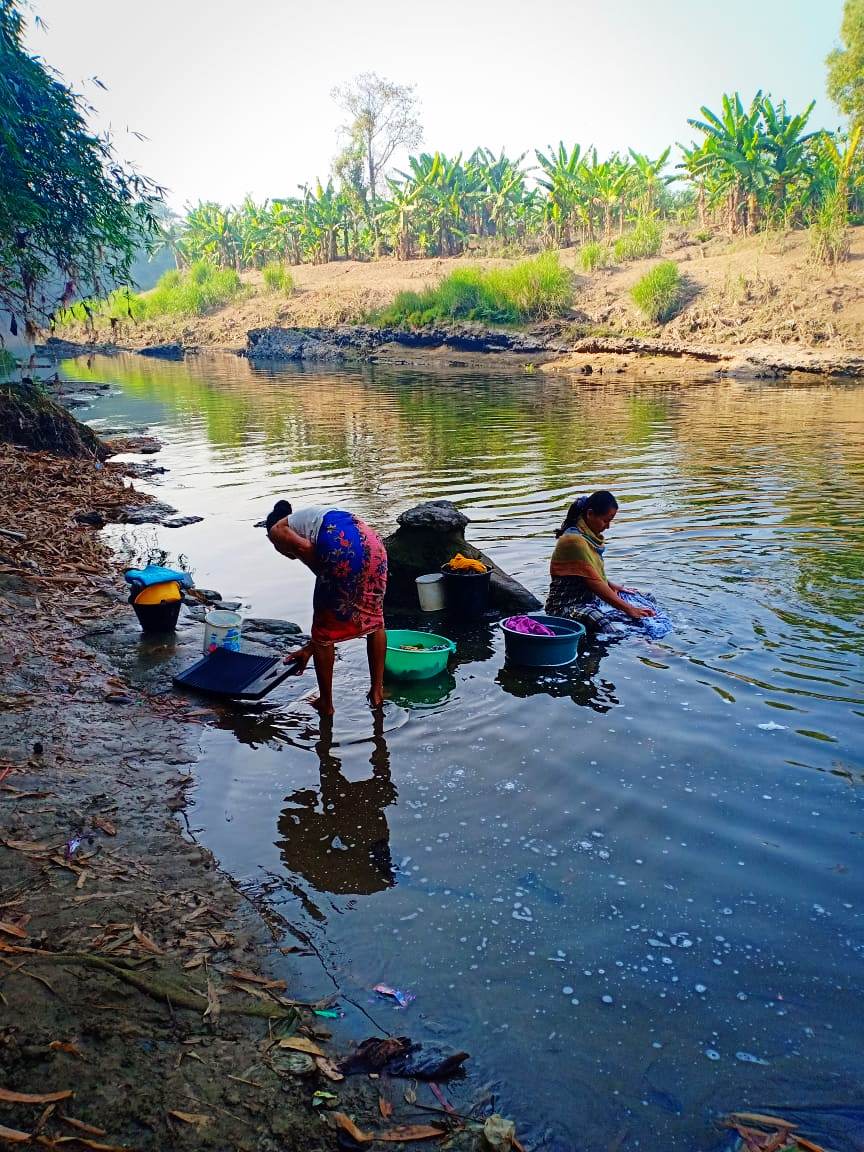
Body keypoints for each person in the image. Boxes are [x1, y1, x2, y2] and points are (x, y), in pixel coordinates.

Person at [265, 500, 388, 715]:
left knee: (324, 631)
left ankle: (326, 704)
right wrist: (309, 649)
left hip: (341, 548)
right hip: (374, 545)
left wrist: (316, 643)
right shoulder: (313, 516)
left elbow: (304, 548)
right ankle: (377, 691)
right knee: (374, 620)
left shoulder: (277, 530)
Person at [545, 491, 656, 630]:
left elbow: (587, 572)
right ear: (590, 514)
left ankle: (642, 633)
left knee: (645, 598)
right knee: (603, 622)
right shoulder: (573, 540)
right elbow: (594, 583)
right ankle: (637, 642)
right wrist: (629, 609)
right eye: (605, 520)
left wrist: (612, 586)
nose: (607, 527)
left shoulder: (586, 537)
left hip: (589, 600)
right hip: (564, 607)